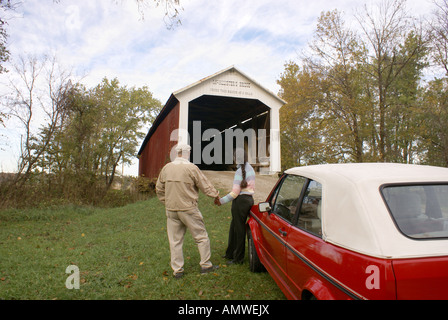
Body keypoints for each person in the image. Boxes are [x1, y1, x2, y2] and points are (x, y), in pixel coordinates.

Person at [156, 144, 220, 278]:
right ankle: (206, 265)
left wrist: (167, 202)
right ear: (187, 153)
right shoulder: (191, 168)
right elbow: (205, 185)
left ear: (177, 153)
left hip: (171, 210)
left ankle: (178, 271)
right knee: (201, 237)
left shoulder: (166, 168)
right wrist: (215, 195)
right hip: (188, 209)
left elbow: (159, 189)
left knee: (175, 241)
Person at [215, 148, 255, 265]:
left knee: (238, 230)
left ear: (235, 158)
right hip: (248, 200)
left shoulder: (239, 172)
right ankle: (230, 253)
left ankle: (238, 259)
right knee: (234, 227)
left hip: (240, 201)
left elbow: (234, 193)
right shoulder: (250, 168)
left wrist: (220, 201)